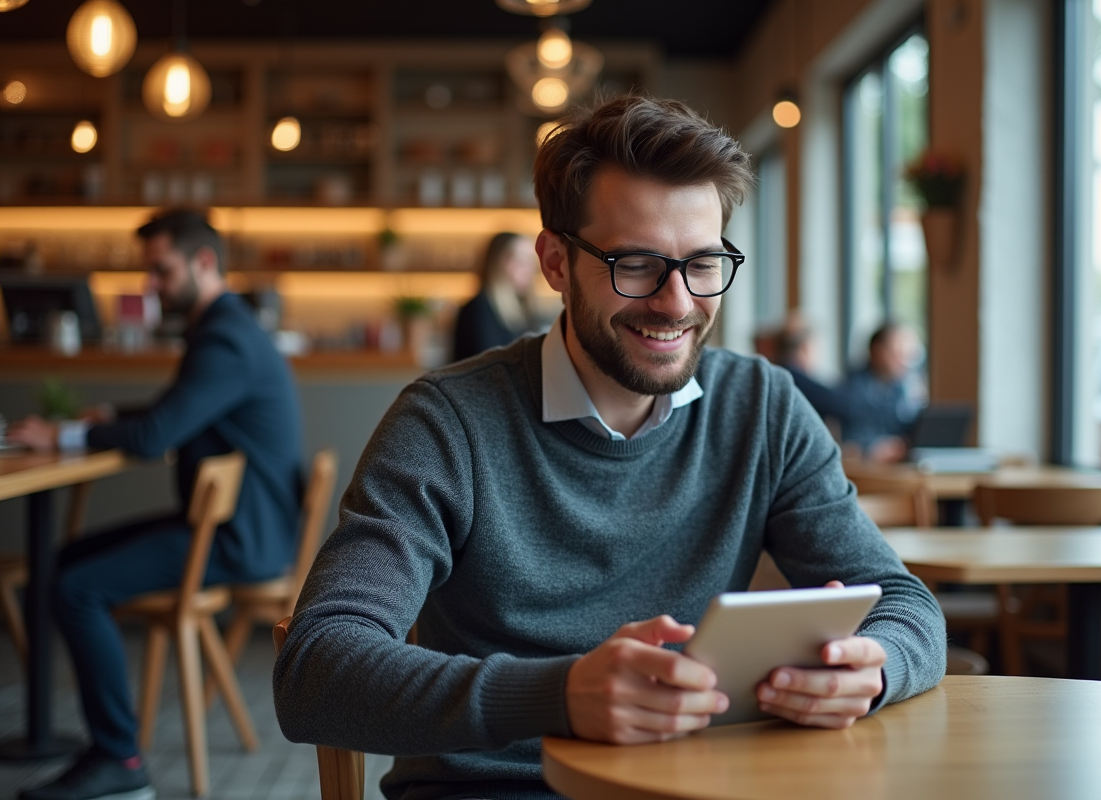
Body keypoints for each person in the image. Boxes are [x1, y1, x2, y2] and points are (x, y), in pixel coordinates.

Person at [274, 96, 945, 800]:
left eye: (703, 263)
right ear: (556, 263)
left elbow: (906, 604)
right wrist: (559, 694)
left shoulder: (763, 408)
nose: (677, 303)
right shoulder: (448, 422)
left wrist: (876, 668)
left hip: (695, 785)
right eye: (636, 264)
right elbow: (315, 670)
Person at [10, 209, 306, 800]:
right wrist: (110, 416)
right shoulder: (225, 328)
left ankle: (119, 762)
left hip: (236, 540)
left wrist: (63, 435)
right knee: (65, 562)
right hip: (236, 527)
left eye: (161, 271)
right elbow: (177, 409)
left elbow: (155, 438)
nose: (151, 286)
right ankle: (104, 746)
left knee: (75, 586)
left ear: (203, 262)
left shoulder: (224, 336)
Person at [837, 323, 924, 461]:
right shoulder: (853, 389)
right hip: (867, 470)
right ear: (878, 351)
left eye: (908, 354)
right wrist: (872, 448)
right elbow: (851, 438)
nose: (905, 360)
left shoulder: (904, 389)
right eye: (898, 352)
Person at [452, 232, 541, 361]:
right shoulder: (477, 310)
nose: (530, 269)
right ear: (497, 262)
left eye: (531, 261)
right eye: (521, 260)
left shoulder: (524, 309)